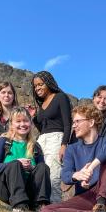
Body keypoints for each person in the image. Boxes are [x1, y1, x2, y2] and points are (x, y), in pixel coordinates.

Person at [39, 104, 106, 212]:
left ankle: (101, 205)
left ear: (91, 122)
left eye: (77, 121)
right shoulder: (71, 149)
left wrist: (91, 168)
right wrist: (77, 175)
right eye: (73, 122)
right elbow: (65, 176)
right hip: (87, 196)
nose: (74, 125)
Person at [0, 106, 51, 212]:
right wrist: (15, 163)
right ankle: (18, 209)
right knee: (15, 164)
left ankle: (41, 209)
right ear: (11, 124)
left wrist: (32, 168)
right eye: (18, 121)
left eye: (26, 121)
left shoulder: (35, 146)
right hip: (6, 188)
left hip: (28, 190)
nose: (23, 124)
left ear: (30, 123)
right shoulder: (4, 142)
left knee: (43, 167)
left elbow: (41, 172)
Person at [27, 71, 72, 203]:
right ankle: (41, 203)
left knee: (54, 174)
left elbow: (67, 124)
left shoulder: (60, 97)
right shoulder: (41, 104)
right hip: (42, 140)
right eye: (35, 86)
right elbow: (43, 129)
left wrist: (64, 145)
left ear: (49, 83)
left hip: (57, 139)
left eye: (41, 84)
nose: (37, 88)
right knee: (40, 171)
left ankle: (55, 206)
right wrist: (34, 117)